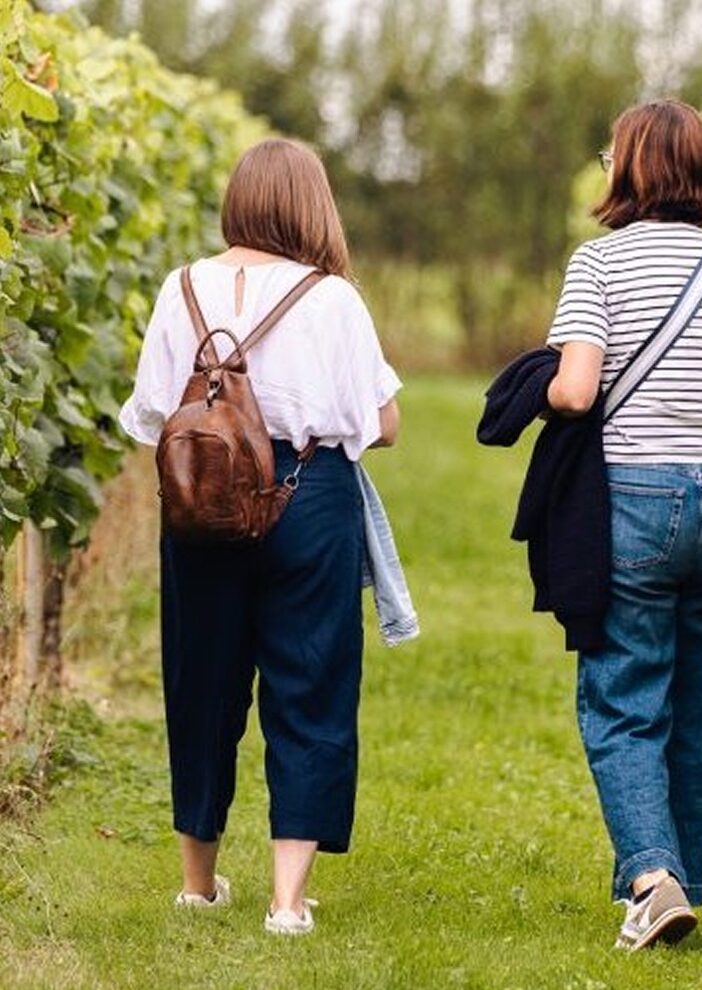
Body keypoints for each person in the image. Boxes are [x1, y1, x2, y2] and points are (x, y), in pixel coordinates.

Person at [118, 138, 402, 936]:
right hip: (307, 495)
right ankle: (286, 902)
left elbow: (149, 413)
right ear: (311, 204)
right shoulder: (334, 298)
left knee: (201, 679)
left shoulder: (183, 289)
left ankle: (198, 883)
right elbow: (380, 424)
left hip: (201, 499)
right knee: (309, 680)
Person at [544, 100, 702, 950]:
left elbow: (576, 390)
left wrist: (534, 387)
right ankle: (677, 880)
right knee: (698, 709)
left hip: (636, 501)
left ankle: (653, 877)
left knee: (621, 700)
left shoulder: (598, 264)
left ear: (630, 168)